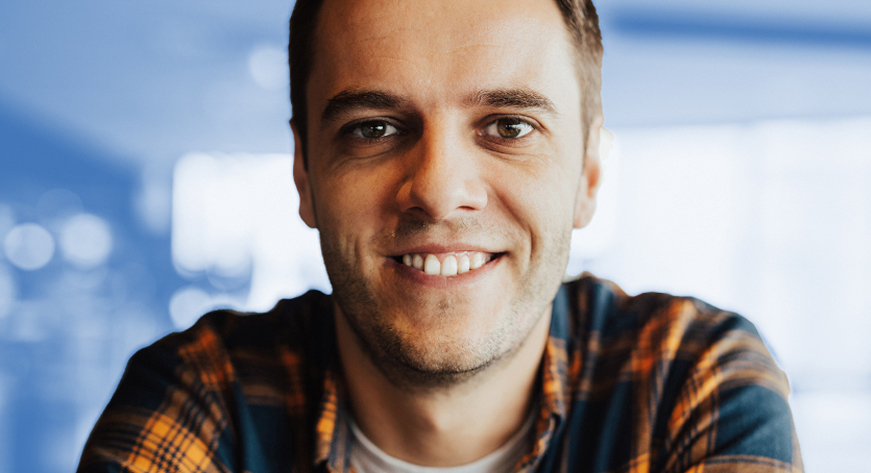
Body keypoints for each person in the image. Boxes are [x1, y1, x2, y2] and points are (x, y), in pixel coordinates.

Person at [77, 0, 803, 472]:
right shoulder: (208, 388)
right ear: (304, 173)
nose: (437, 189)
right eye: (373, 129)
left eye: (509, 127)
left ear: (586, 173)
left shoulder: (687, 373)